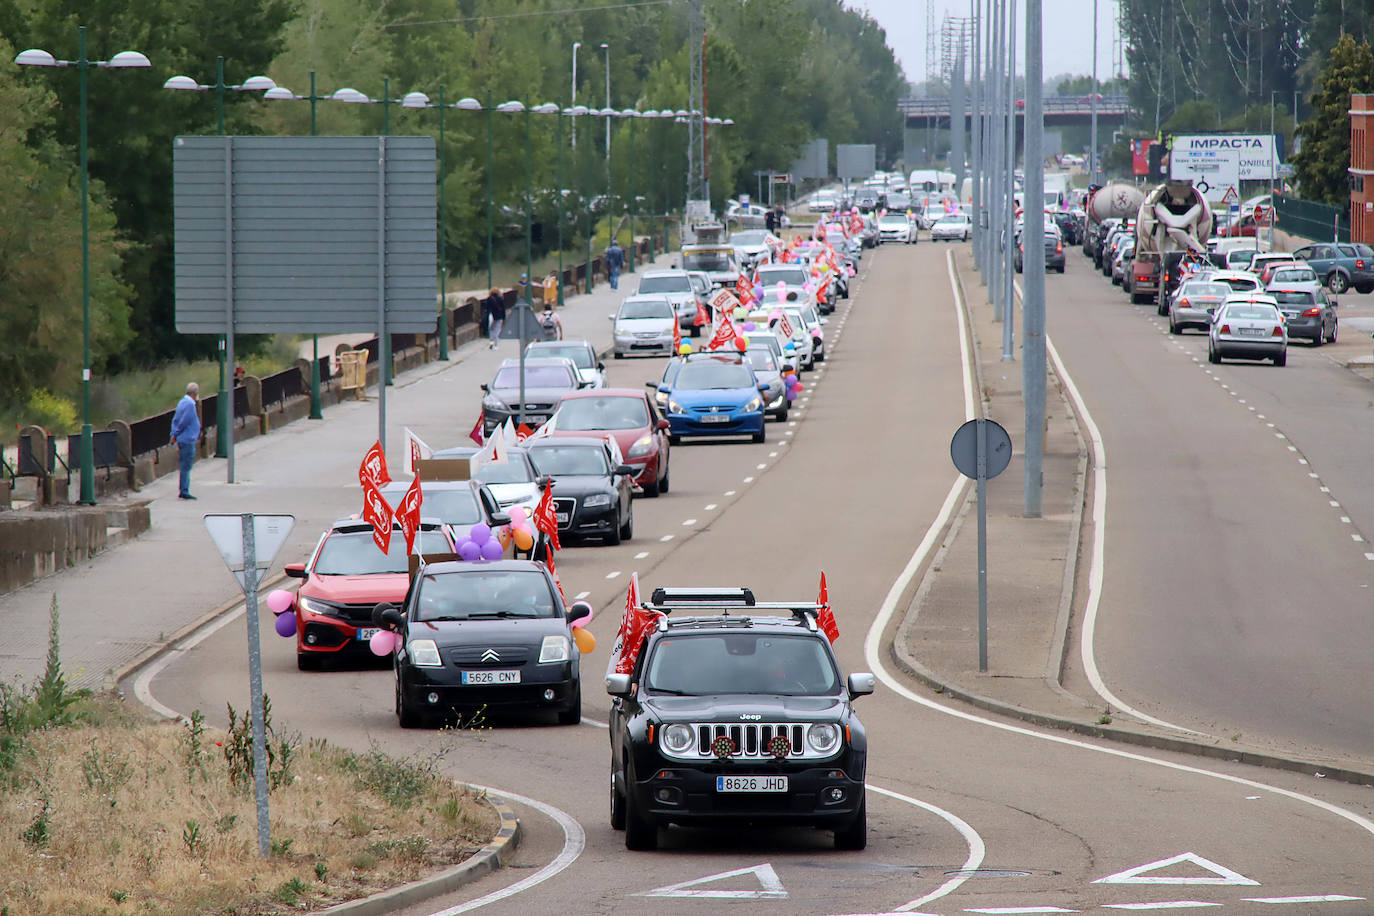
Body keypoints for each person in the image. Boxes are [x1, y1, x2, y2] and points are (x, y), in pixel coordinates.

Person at [169, 382, 201, 500]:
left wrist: (173, 434)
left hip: (183, 438)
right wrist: (175, 435)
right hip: (187, 439)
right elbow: (184, 422)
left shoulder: (182, 402)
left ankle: (184, 489)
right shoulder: (190, 405)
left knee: (185, 465)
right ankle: (184, 490)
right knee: (186, 466)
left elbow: (176, 420)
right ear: (195, 393)